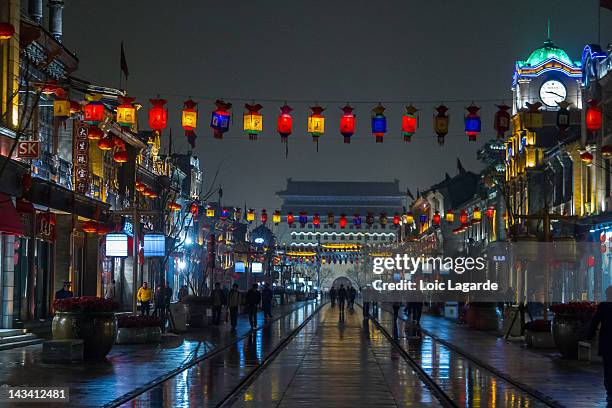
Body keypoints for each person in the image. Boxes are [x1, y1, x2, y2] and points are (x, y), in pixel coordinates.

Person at [588, 285, 612, 404]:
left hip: (607, 342)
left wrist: (589, 336)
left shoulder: (603, 307)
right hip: (607, 342)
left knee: (608, 368)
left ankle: (610, 392)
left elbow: (594, 322)